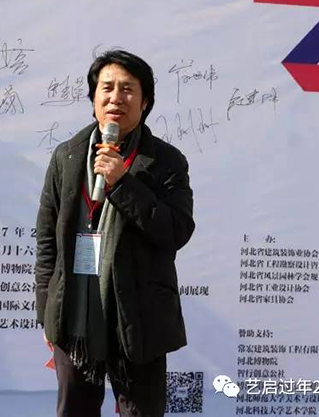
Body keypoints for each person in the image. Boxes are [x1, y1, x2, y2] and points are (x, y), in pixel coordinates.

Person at [35, 49, 195, 417]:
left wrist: (122, 182)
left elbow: (176, 230)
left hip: (139, 317)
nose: (115, 98)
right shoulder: (67, 156)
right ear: (93, 99)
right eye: (107, 88)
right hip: (75, 314)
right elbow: (47, 241)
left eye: (127, 89)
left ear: (145, 101)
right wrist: (48, 311)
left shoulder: (166, 161)